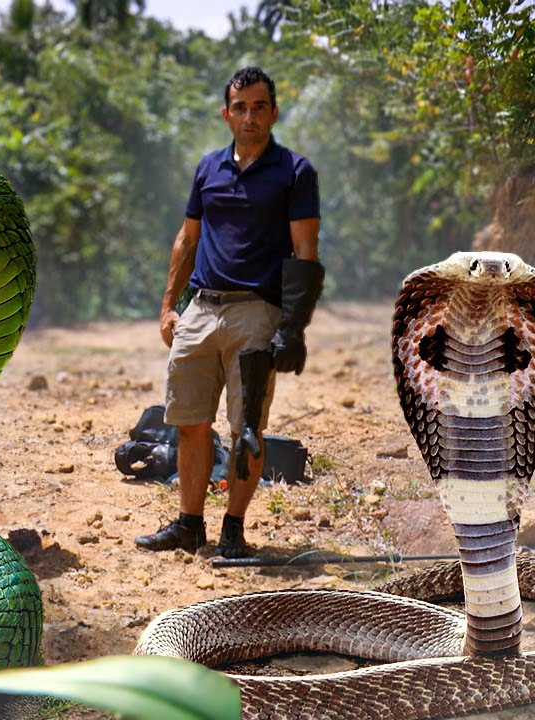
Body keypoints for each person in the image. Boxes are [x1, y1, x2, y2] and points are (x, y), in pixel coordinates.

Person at [135, 66, 323, 559]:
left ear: (273, 113)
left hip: (256, 313)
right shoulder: (208, 169)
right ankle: (189, 524)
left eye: (259, 106)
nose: (249, 116)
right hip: (200, 309)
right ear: (226, 114)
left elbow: (306, 252)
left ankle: (234, 531)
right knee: (190, 421)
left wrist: (294, 327)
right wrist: (168, 306)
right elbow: (187, 239)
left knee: (247, 431)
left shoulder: (295, 172)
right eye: (240, 107)